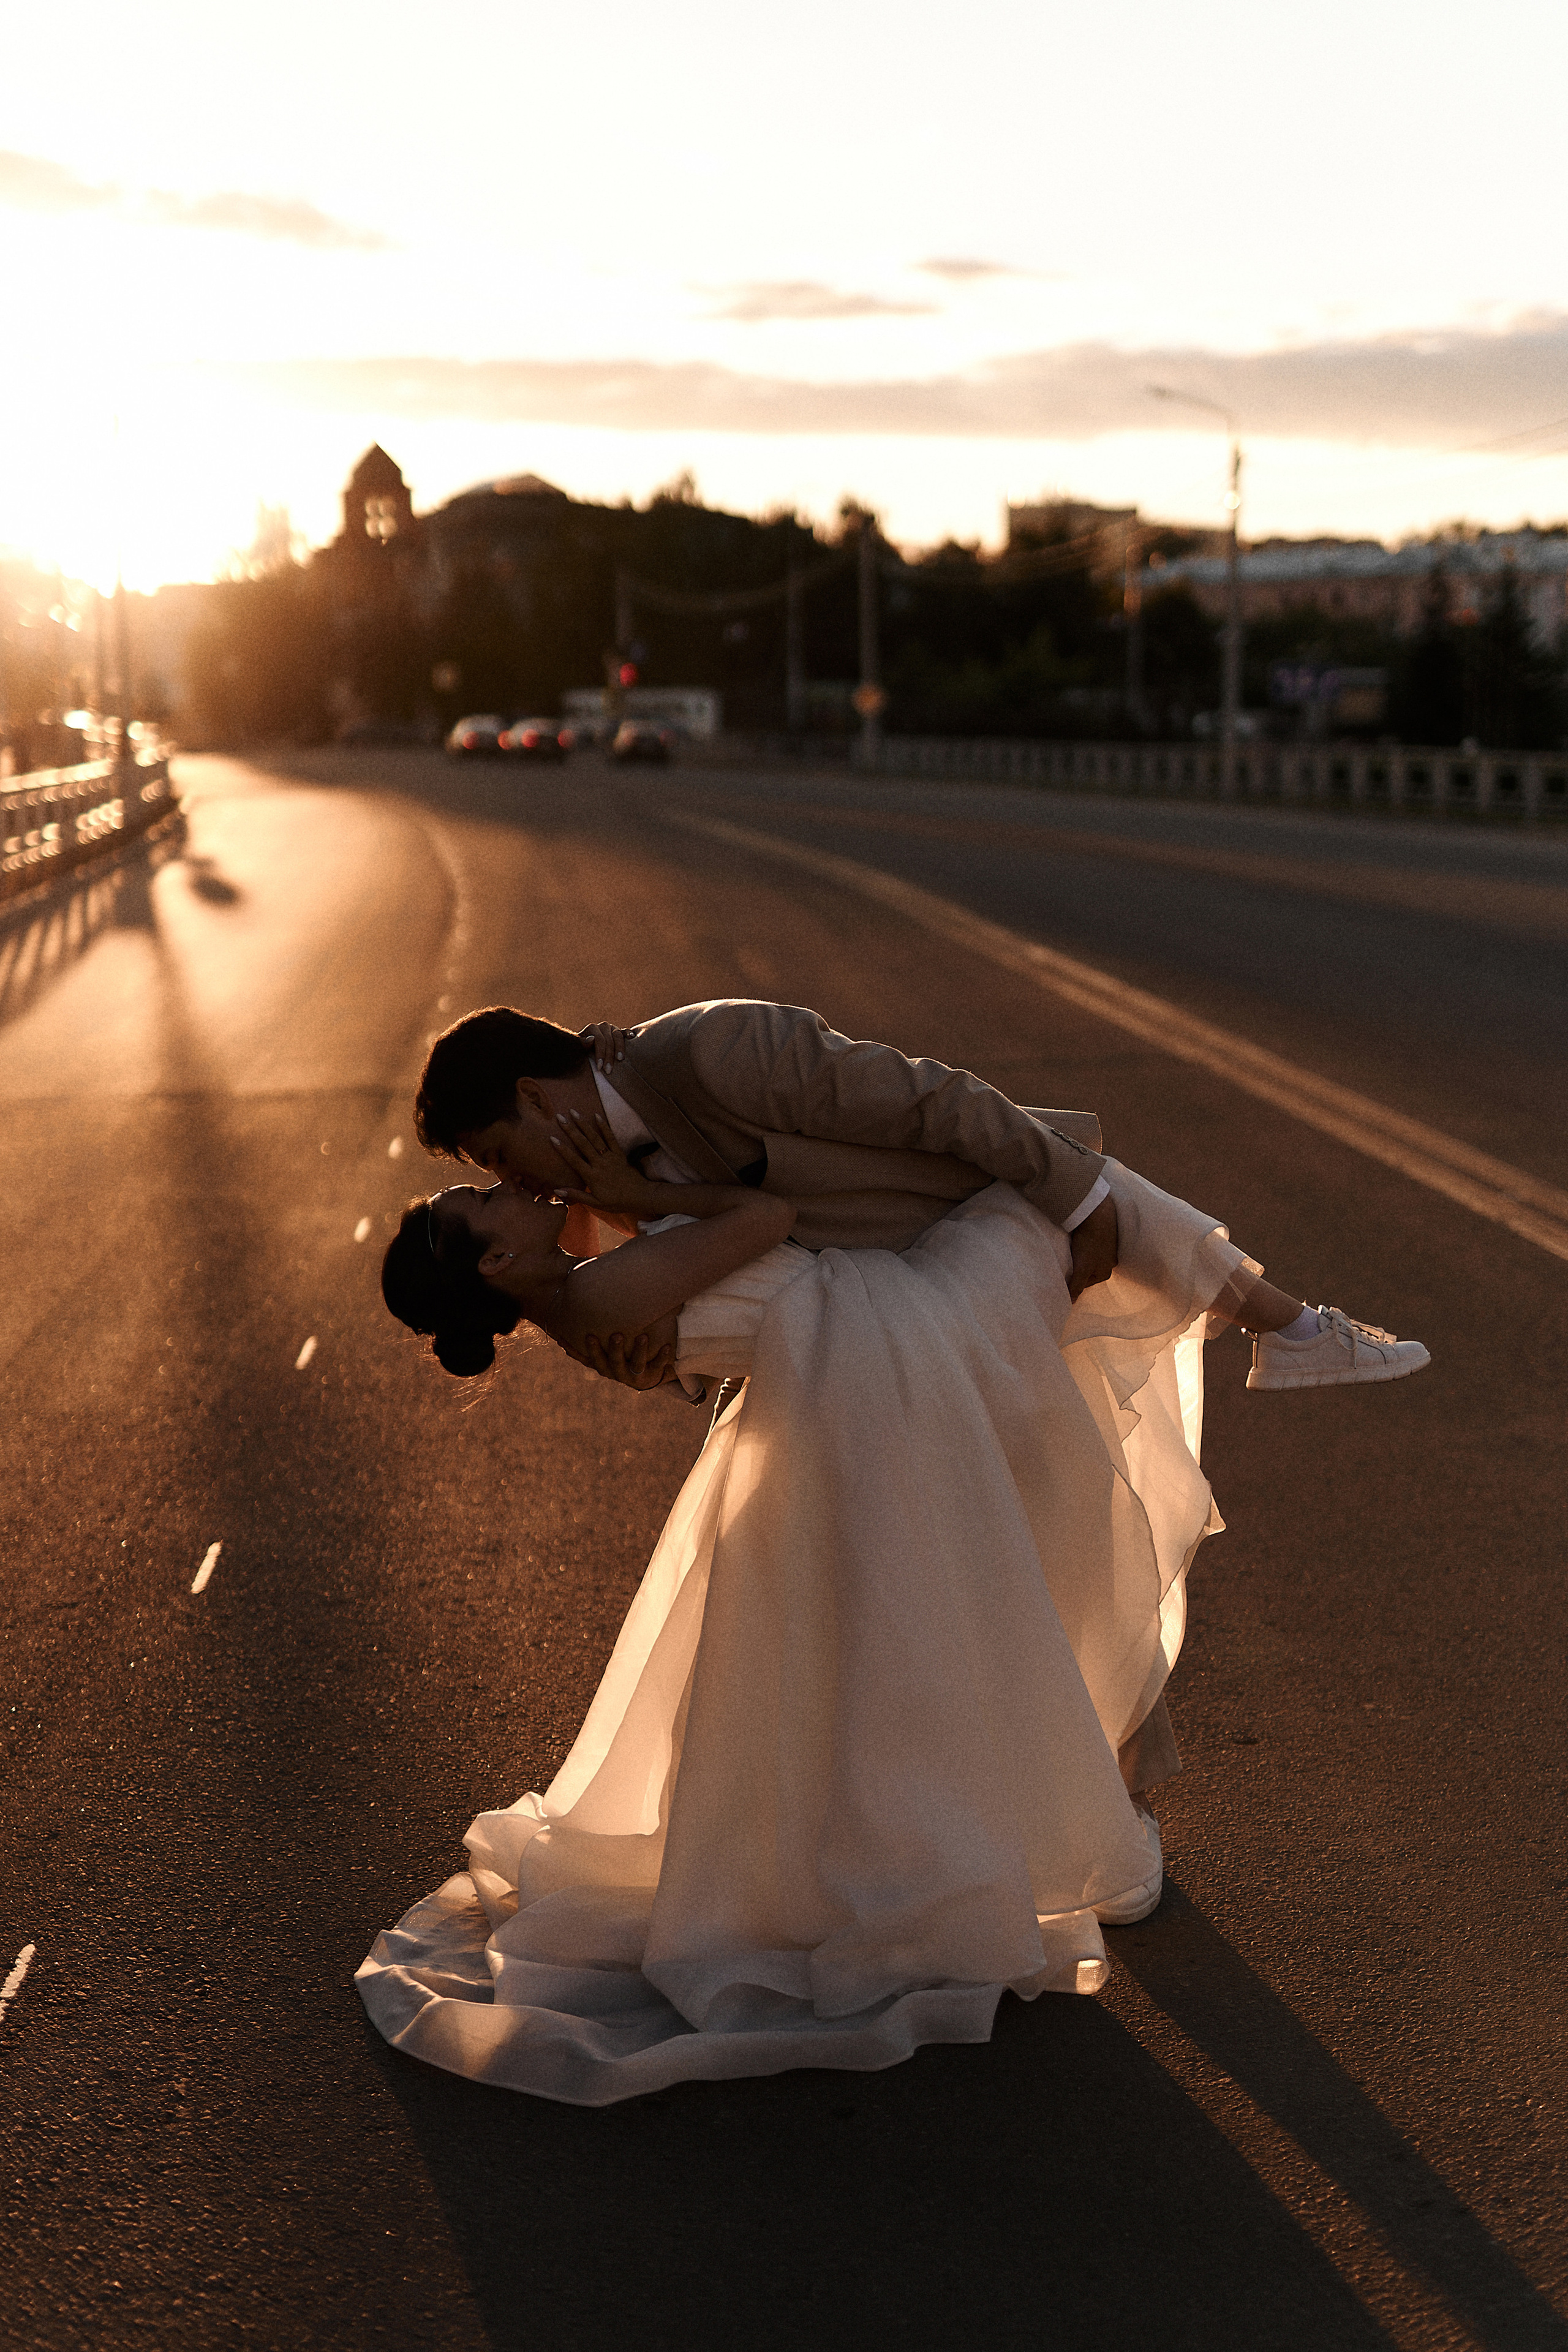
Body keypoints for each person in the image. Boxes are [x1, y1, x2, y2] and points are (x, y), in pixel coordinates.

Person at [357, 1004, 1428, 2106]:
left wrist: (1078, 1198)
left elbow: (933, 1102)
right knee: (1034, 1551)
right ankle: (1286, 1324)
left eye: (496, 1159)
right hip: (902, 1346)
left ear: (538, 1099)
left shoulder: (702, 1061)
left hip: (906, 1307)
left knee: (1044, 1517)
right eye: (493, 1186)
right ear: (492, 1255)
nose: (520, 1184)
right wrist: (642, 1209)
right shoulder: (594, 1253)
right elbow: (745, 1239)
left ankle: (1278, 1329)